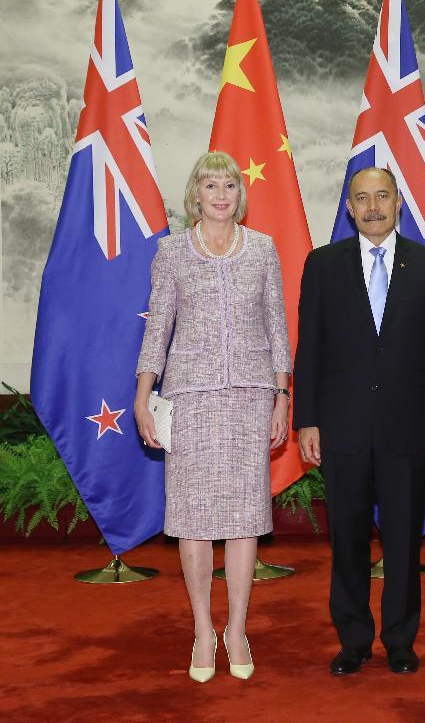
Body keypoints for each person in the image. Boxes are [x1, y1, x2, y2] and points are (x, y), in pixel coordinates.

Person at [293, 167, 425, 676]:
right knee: (346, 539)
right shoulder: (322, 265)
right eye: (361, 198)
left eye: (382, 197)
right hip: (342, 427)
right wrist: (308, 420)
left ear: (398, 204)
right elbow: (311, 349)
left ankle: (401, 640)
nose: (372, 207)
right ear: (349, 208)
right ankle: (353, 639)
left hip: (409, 428)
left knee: (405, 542)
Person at [134, 150, 291, 683]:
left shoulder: (263, 249)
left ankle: (238, 627)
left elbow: (276, 326)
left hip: (249, 397)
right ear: (194, 194)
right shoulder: (172, 252)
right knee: (194, 521)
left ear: (238, 194)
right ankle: (203, 627)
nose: (220, 194)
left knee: (246, 520)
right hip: (190, 399)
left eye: (229, 185)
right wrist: (142, 392)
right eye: (210, 185)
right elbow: (158, 328)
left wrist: (281, 394)